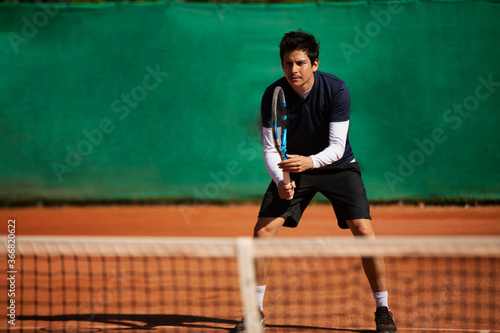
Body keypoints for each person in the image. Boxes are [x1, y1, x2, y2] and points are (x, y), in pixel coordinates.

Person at [233, 30, 398, 333]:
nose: (292, 70)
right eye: (286, 63)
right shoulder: (273, 93)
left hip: (338, 166)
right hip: (293, 167)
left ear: (314, 63)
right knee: (262, 233)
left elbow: (337, 146)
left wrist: (309, 162)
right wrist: (281, 180)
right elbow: (271, 147)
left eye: (299, 63)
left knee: (364, 229)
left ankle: (383, 308)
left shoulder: (337, 90)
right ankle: (255, 312)